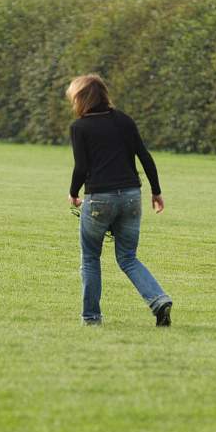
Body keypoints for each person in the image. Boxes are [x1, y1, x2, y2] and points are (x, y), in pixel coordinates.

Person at [67, 74, 172, 327]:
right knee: (127, 257)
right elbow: (144, 157)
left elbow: (81, 166)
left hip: (99, 199)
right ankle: (158, 300)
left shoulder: (79, 127)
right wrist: (156, 191)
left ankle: (91, 317)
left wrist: (73, 193)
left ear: (81, 99)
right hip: (131, 197)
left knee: (91, 258)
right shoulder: (123, 120)